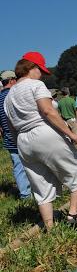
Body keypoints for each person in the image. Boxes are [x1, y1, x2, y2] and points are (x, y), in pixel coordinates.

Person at [4, 52, 77, 229]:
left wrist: (20, 145)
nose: (42, 74)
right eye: (40, 70)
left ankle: (50, 228)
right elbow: (47, 111)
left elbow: (11, 126)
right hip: (44, 132)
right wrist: (70, 133)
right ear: (31, 68)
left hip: (23, 140)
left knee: (40, 186)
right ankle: (74, 214)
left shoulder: (9, 96)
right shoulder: (36, 85)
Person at [0, 70, 31, 199]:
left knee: (18, 165)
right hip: (20, 133)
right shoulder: (13, 95)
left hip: (8, 136)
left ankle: (25, 193)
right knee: (32, 162)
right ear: (12, 80)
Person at [58, 87, 77, 153]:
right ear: (68, 92)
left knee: (68, 137)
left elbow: (59, 113)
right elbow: (76, 110)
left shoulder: (60, 102)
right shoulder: (72, 100)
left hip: (65, 121)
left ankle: (71, 151)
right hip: (73, 120)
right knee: (76, 135)